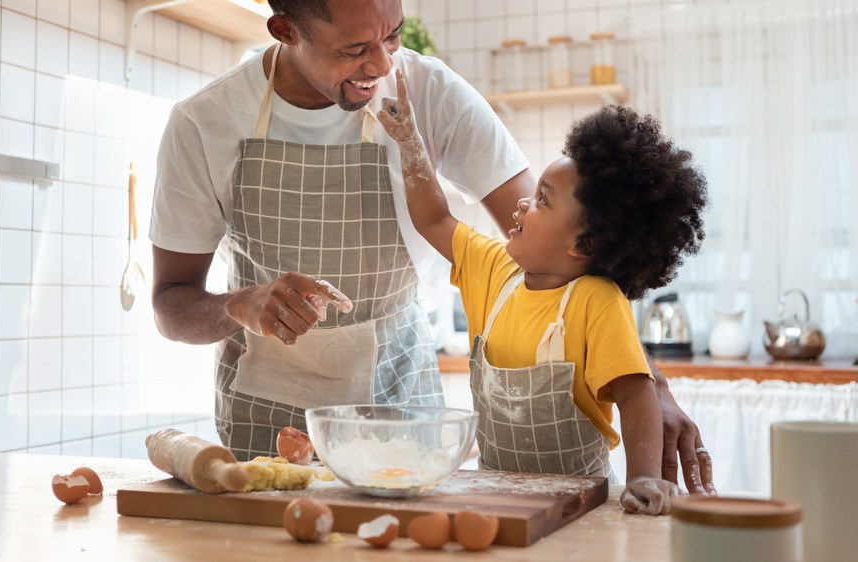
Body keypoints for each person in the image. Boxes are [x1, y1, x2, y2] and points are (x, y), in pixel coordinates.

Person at [147, 0, 717, 496]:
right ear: (285, 31)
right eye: (355, 49)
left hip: (403, 424)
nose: (381, 64)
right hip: (262, 432)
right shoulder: (204, 123)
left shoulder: (431, 94)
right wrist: (238, 305)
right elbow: (171, 305)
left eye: (392, 35)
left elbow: (572, 253)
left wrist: (647, 386)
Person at [377, 71, 708, 513]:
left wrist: (643, 479)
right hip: (499, 496)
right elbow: (434, 221)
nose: (522, 204)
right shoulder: (494, 268)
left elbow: (635, 392)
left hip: (579, 506)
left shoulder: (596, 301)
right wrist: (410, 144)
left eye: (542, 200)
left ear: (583, 244)